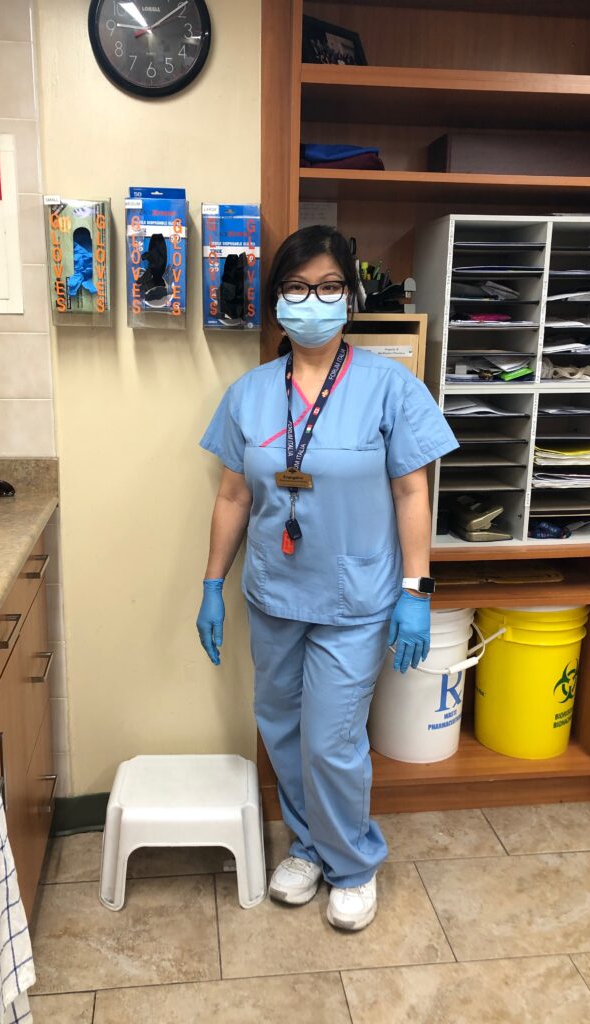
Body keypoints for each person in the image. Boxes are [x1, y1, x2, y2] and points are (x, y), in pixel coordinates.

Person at [196, 225, 458, 931]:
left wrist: (416, 593)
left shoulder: (389, 387)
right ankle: (308, 847)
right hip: (274, 595)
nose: (312, 301)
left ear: (351, 296)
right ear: (276, 298)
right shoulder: (250, 394)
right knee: (280, 727)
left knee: (330, 740)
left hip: (356, 597)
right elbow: (231, 497)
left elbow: (412, 494)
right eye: (296, 287)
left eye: (329, 287)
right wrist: (212, 585)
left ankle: (352, 862)